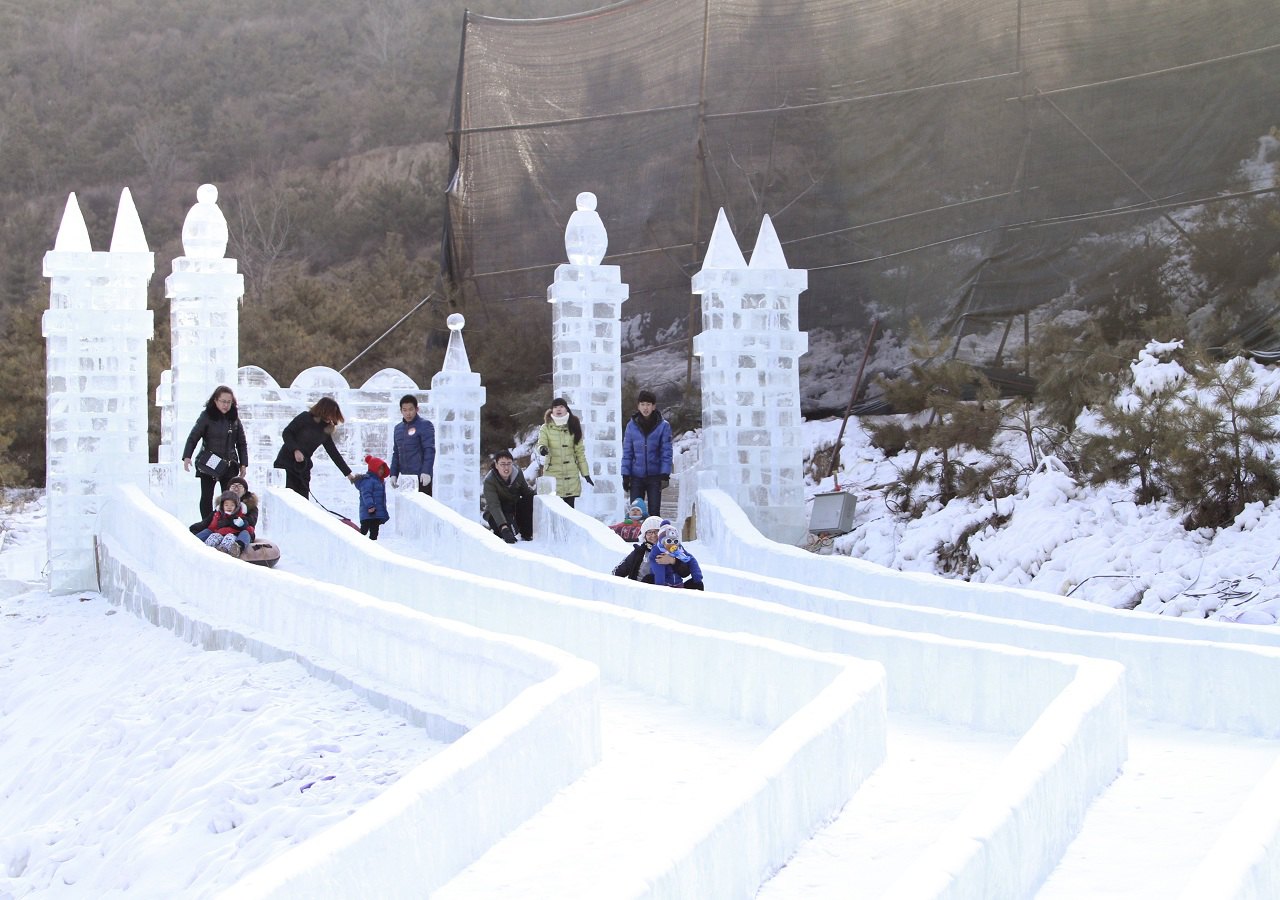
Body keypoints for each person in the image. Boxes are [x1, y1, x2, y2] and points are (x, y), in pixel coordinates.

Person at [182, 385, 249, 524]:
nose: (225, 405)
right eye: (223, 401)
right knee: (207, 496)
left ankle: (227, 524)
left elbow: (241, 443)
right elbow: (193, 436)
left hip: (229, 464)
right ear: (215, 401)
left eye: (228, 402)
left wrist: (243, 464)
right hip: (209, 463)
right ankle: (207, 524)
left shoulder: (234, 419)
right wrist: (187, 456)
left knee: (229, 497)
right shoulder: (207, 416)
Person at [273, 397, 357, 496]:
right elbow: (287, 432)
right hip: (285, 464)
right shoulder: (305, 417)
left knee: (303, 502)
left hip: (303, 469)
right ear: (323, 409)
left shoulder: (326, 430)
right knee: (287, 498)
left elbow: (333, 453)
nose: (332, 417)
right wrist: (296, 450)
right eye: (331, 413)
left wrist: (348, 474)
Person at [621, 389, 673, 519]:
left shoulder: (663, 426)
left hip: (655, 476)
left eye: (648, 404)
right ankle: (636, 537)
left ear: (654, 406)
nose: (645, 408)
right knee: (636, 512)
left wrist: (665, 474)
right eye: (643, 404)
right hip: (636, 477)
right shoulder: (631, 426)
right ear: (638, 406)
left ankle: (654, 537)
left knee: (654, 513)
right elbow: (627, 452)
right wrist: (625, 475)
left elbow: (666, 451)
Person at [536, 397, 592, 508]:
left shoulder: (574, 426)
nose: (558, 409)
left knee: (570, 510)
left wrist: (585, 473)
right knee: (553, 509)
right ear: (552, 410)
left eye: (561, 406)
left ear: (566, 409)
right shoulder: (546, 427)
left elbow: (579, 452)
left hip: (570, 474)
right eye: (555, 407)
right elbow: (541, 443)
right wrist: (542, 449)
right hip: (552, 473)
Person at [482, 450, 535, 543]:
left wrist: (538, 496)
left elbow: (526, 492)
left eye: (508, 464)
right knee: (508, 533)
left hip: (513, 508)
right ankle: (501, 531)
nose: (506, 467)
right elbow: (494, 506)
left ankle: (527, 533)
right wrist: (504, 528)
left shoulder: (517, 473)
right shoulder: (489, 481)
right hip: (496, 513)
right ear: (496, 465)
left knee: (529, 498)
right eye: (502, 464)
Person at [194, 476, 257, 553]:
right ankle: (194, 543)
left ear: (244, 490)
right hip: (221, 531)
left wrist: (233, 521)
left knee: (245, 533)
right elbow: (208, 521)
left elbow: (251, 522)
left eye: (240, 486)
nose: (236, 488)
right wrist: (195, 528)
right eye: (233, 486)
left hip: (238, 532)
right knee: (208, 531)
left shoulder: (249, 506)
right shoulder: (221, 505)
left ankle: (237, 548)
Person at [390, 394, 436, 496]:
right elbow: (396, 453)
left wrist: (426, 471)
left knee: (424, 508)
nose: (408, 413)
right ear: (401, 411)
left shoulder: (425, 425)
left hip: (421, 477)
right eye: (405, 410)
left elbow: (429, 450)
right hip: (406, 478)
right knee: (407, 509)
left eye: (411, 409)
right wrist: (393, 474)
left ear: (417, 409)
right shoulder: (398, 429)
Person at [647, 523, 704, 589]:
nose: (653, 536)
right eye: (649, 532)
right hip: (660, 584)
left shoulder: (678, 550)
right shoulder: (655, 551)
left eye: (675, 541)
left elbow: (686, 570)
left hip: (678, 584)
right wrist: (661, 588)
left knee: (698, 584)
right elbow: (658, 572)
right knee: (649, 578)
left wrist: (673, 561)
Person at [201, 491, 250, 558]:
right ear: (222, 506)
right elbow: (212, 527)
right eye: (226, 505)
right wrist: (217, 521)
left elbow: (246, 526)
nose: (229, 507)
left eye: (232, 505)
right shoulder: (218, 515)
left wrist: (241, 524)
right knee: (214, 536)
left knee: (229, 538)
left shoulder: (239, 516)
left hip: (233, 534)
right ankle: (204, 550)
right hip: (219, 533)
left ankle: (224, 552)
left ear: (236, 506)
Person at [355, 455, 390, 540]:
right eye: (379, 468)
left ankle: (371, 550)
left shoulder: (379, 482)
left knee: (374, 533)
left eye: (382, 469)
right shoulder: (368, 480)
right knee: (363, 531)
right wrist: (370, 505)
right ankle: (357, 545)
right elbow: (366, 494)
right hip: (368, 512)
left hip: (376, 513)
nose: (381, 471)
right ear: (373, 468)